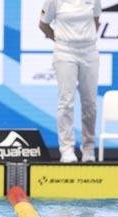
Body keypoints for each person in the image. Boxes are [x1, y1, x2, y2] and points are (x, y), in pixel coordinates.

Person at [39, 0, 102, 163]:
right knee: (66, 102)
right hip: (65, 52)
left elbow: (95, 20)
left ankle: (88, 148)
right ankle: (66, 149)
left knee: (90, 103)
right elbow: (43, 25)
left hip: (89, 52)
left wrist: (84, 39)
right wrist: (62, 40)